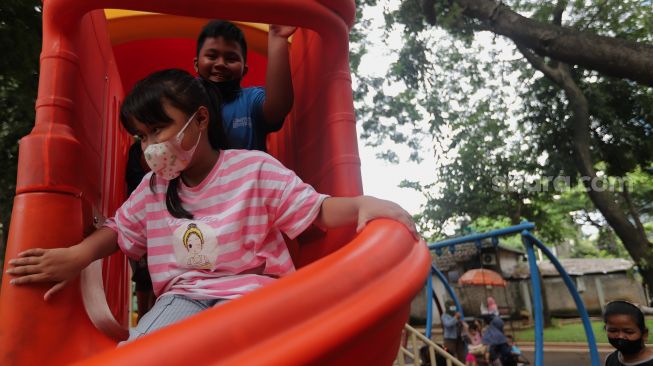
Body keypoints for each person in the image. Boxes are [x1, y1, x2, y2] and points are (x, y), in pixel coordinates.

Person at [5, 69, 418, 343]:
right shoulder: (153, 189)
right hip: (183, 297)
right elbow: (119, 231)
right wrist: (76, 256)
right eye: (141, 136)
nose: (150, 146)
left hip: (255, 294)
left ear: (200, 120)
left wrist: (364, 203)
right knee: (143, 351)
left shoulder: (252, 168)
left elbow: (315, 209)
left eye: (158, 128)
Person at [194, 20, 295, 151]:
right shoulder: (184, 97)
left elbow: (278, 106)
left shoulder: (250, 100)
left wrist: (278, 36)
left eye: (231, 59)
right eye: (212, 56)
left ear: (244, 71)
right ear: (196, 64)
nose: (220, 64)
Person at [604, 300, 653, 366]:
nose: (620, 336)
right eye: (613, 331)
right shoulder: (611, 359)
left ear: (644, 334)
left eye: (629, 332)